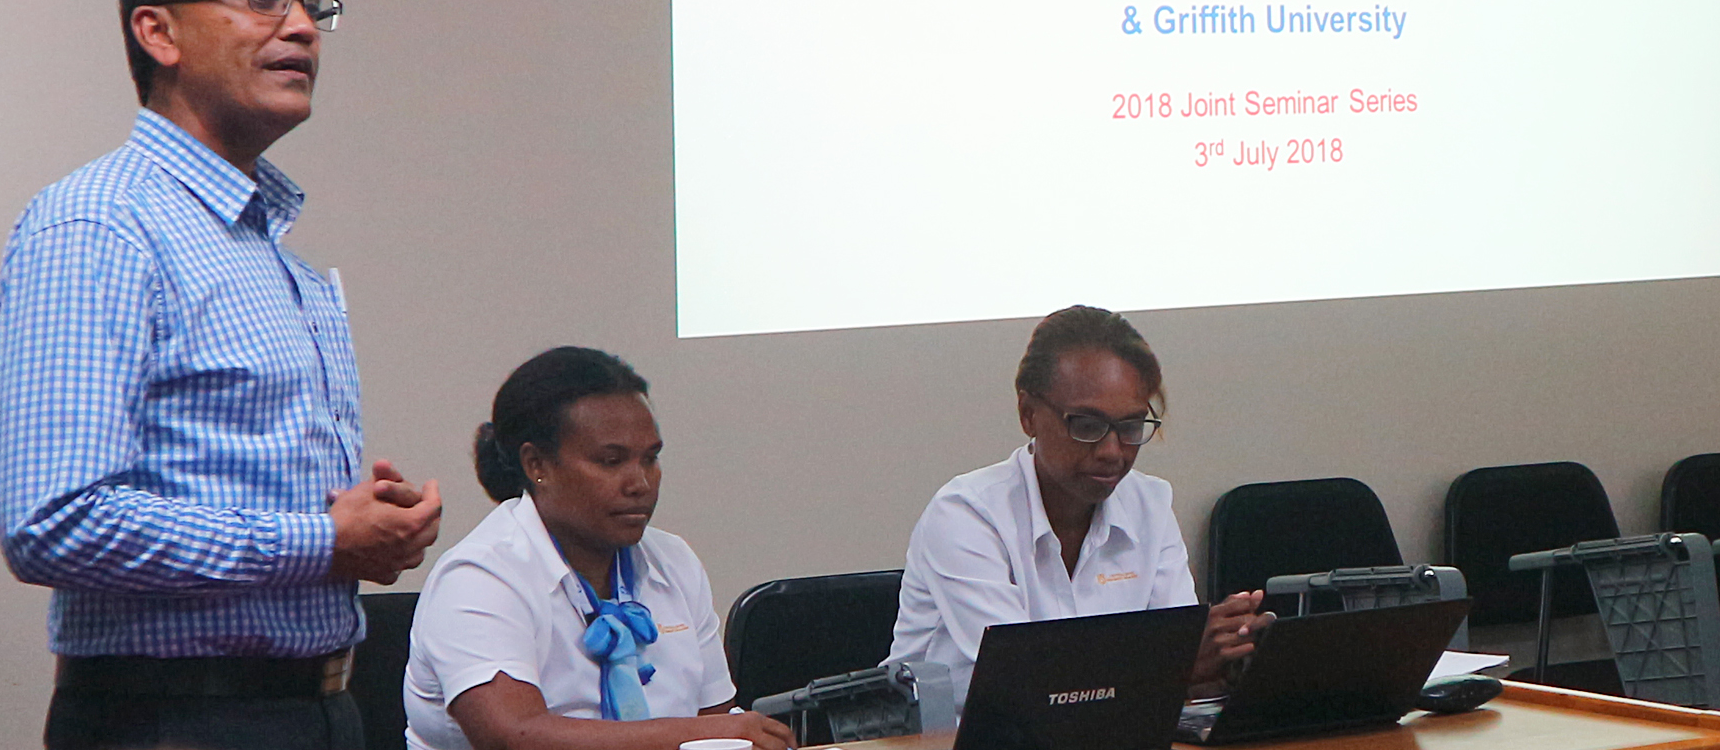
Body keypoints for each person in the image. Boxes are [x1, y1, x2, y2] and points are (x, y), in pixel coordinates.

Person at [0, 0, 442, 750]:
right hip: (175, 720)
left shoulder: (271, 253)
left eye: (312, 4)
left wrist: (364, 527)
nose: (301, 26)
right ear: (158, 33)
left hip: (325, 708)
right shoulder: (100, 225)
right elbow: (53, 521)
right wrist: (316, 539)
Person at [404, 346, 793, 750]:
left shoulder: (673, 562)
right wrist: (701, 733)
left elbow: (717, 726)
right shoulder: (479, 577)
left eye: (651, 458)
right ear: (537, 465)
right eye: (611, 461)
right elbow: (515, 736)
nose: (639, 483)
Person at [886, 305, 1273, 708]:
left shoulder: (1149, 505)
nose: (1111, 451)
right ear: (1028, 415)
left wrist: (1228, 657)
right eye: (1086, 425)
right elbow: (1030, 685)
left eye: (1130, 426)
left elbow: (1176, 673)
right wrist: (1178, 663)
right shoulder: (965, 515)